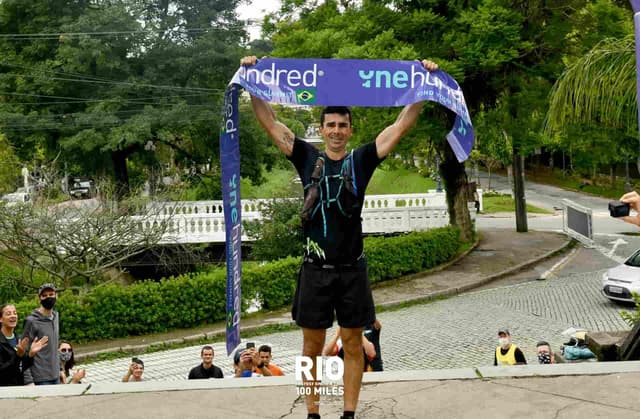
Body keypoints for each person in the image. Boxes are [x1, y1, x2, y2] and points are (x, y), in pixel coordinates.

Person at [241, 55, 438, 419]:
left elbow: (400, 126)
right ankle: (312, 413)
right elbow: (269, 122)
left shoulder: (362, 159)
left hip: (352, 270)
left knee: (352, 346)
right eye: (329, 124)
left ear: (349, 130)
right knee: (310, 347)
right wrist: (253, 79)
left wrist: (423, 87)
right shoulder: (306, 157)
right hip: (315, 270)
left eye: (341, 125)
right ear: (322, 127)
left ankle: (349, 413)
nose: (335, 130)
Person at [0, 303, 48, 386]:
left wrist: (30, 355)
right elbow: (2, 372)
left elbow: (22, 368)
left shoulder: (19, 339)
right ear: (1, 319)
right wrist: (18, 356)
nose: (13, 316)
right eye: (8, 314)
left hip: (19, 388)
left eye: (15, 313)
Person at [22, 283, 60, 385]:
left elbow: (54, 346)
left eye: (51, 294)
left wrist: (61, 369)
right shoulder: (31, 321)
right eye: (44, 295)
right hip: (40, 378)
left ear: (56, 296)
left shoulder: (56, 317)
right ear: (39, 299)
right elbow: (23, 352)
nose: (48, 297)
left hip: (56, 375)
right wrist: (28, 381)